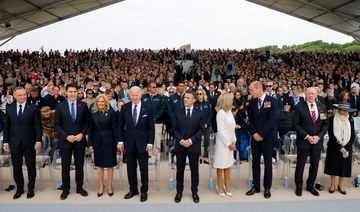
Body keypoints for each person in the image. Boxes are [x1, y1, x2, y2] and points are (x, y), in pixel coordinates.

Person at [3, 86, 42, 199]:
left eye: (24, 94)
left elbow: (38, 126)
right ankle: (19, 188)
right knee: (17, 167)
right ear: (14, 96)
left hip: (30, 142)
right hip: (14, 142)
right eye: (20, 95)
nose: (23, 96)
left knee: (31, 166)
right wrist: (5, 142)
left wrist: (38, 140)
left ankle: (31, 188)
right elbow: (7, 127)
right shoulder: (9, 108)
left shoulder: (33, 107)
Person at [118, 86, 155, 202]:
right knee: (130, 168)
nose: (134, 97)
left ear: (141, 95)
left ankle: (144, 191)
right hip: (129, 143)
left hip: (143, 144)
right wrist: (120, 141)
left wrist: (150, 143)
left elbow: (151, 128)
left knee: (143, 169)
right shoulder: (125, 108)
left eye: (136, 95)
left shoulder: (148, 108)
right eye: (132, 95)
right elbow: (119, 126)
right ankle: (133, 189)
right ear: (129, 96)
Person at [54, 83, 90, 200]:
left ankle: (79, 187)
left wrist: (82, 134)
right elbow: (57, 125)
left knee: (79, 165)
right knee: (65, 166)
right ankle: (66, 189)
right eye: (71, 92)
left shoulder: (83, 105)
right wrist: (66, 136)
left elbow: (87, 123)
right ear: (66, 93)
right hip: (66, 141)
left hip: (79, 140)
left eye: (75, 92)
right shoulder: (60, 106)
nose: (73, 94)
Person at [292, 87, 328, 197]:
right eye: (308, 93)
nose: (311, 95)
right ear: (305, 94)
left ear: (317, 94)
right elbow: (295, 125)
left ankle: (310, 185)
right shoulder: (299, 107)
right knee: (300, 164)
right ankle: (299, 185)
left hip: (317, 141)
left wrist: (319, 136)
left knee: (315, 164)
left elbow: (325, 124)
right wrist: (307, 136)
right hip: (304, 140)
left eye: (313, 93)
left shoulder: (323, 107)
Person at [246, 81, 277, 199]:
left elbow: (271, 120)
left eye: (251, 90)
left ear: (259, 89)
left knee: (268, 163)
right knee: (255, 163)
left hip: (267, 137)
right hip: (255, 138)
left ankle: (267, 187)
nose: (250, 92)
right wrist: (254, 133)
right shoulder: (253, 101)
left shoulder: (272, 101)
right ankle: (256, 186)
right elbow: (251, 120)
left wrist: (261, 134)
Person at [172, 90, 205, 203]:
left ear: (194, 100)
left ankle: (194, 192)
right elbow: (174, 129)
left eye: (188, 98)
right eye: (185, 97)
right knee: (179, 170)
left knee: (194, 171)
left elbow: (201, 130)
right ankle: (179, 192)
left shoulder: (199, 113)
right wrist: (182, 141)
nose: (185, 99)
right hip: (180, 146)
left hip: (193, 146)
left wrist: (190, 141)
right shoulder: (178, 112)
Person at [88, 94, 118, 197]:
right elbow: (90, 130)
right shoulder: (92, 113)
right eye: (98, 102)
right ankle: (101, 185)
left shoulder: (111, 113)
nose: (100, 103)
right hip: (97, 142)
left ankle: (110, 185)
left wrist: (117, 142)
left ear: (106, 102)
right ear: (96, 103)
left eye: (102, 101)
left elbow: (115, 128)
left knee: (110, 165)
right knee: (99, 165)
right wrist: (90, 143)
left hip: (109, 142)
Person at [324, 102, 356, 195]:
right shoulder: (332, 119)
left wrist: (346, 147)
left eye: (347, 111)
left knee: (344, 166)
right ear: (338, 110)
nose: (346, 113)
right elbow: (331, 135)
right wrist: (339, 147)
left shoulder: (350, 119)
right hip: (334, 146)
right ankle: (332, 184)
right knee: (333, 166)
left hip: (346, 147)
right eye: (344, 111)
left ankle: (340, 185)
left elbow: (352, 135)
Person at [213, 93, 236, 197]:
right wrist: (228, 144)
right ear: (226, 101)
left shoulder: (229, 112)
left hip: (230, 142)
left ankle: (227, 186)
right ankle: (219, 185)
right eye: (231, 100)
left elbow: (232, 127)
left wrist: (234, 141)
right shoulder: (221, 113)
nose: (232, 101)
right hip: (223, 143)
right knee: (221, 165)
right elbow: (221, 131)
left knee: (228, 164)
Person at [141, 81, 165, 162]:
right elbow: (141, 108)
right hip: (145, 122)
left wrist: (155, 117)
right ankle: (149, 155)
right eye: (154, 87)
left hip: (157, 122)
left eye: (156, 87)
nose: (156, 88)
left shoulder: (159, 97)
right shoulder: (143, 97)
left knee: (157, 138)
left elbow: (162, 109)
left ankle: (156, 156)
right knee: (146, 138)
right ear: (149, 88)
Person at [194, 88, 212, 164]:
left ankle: (206, 156)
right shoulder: (194, 104)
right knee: (197, 141)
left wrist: (206, 123)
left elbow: (210, 114)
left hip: (206, 125)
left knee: (207, 140)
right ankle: (198, 156)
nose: (199, 95)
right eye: (197, 94)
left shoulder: (207, 103)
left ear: (203, 94)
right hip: (197, 126)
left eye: (200, 94)